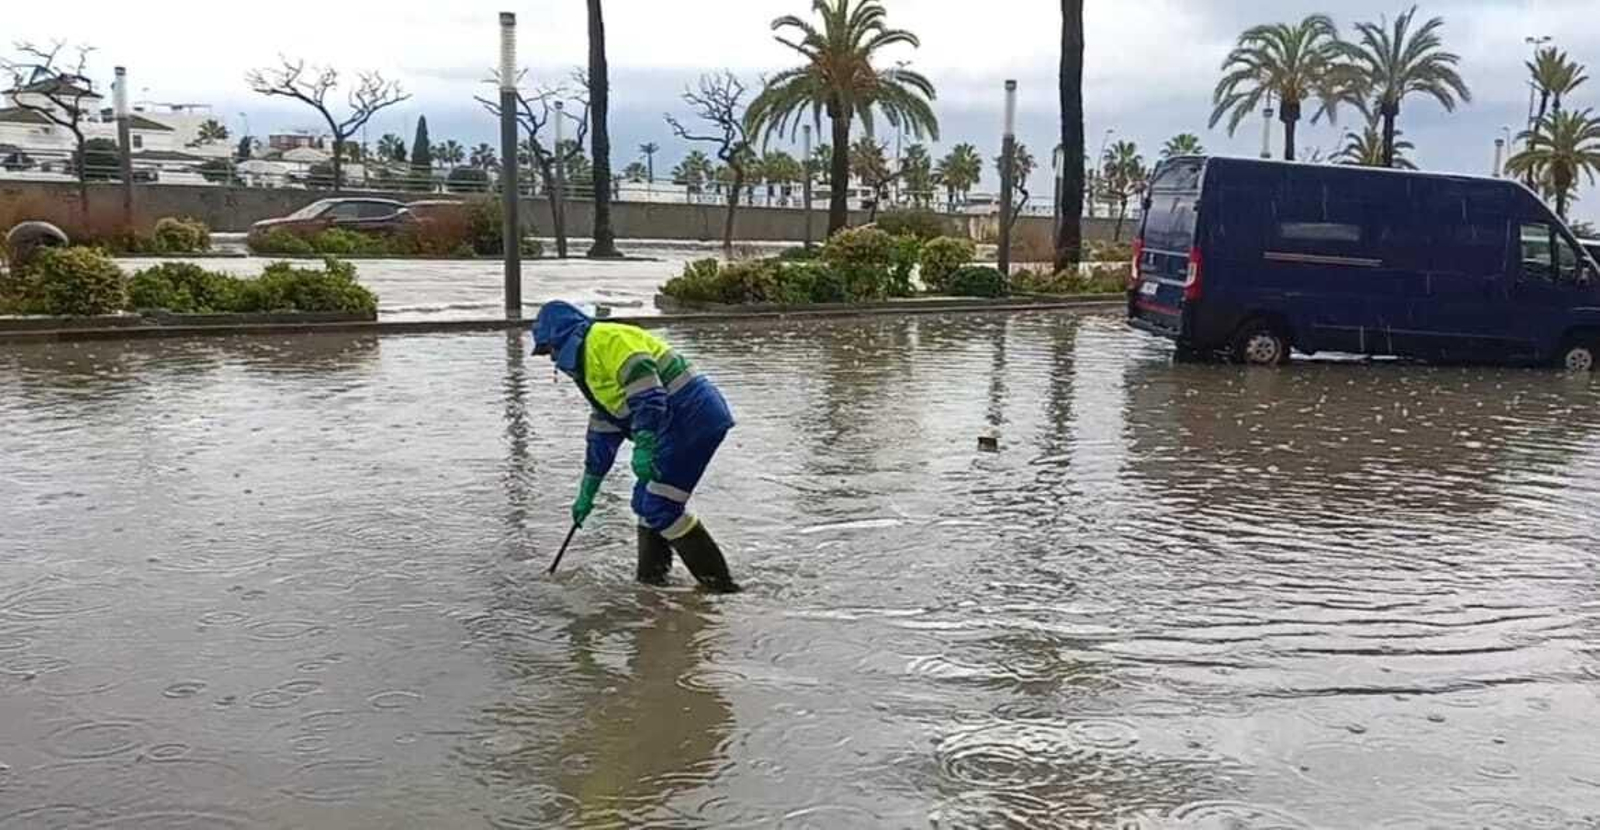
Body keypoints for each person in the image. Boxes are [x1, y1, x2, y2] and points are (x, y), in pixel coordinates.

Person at [531, 301, 741, 593]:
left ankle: (721, 588)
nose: (552, 359)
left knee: (661, 506)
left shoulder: (605, 340)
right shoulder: (588, 368)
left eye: (549, 349)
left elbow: (648, 391)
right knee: (644, 503)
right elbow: (604, 428)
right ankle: (653, 587)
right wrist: (588, 488)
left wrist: (643, 443)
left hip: (692, 418)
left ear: (562, 339)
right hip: (671, 424)